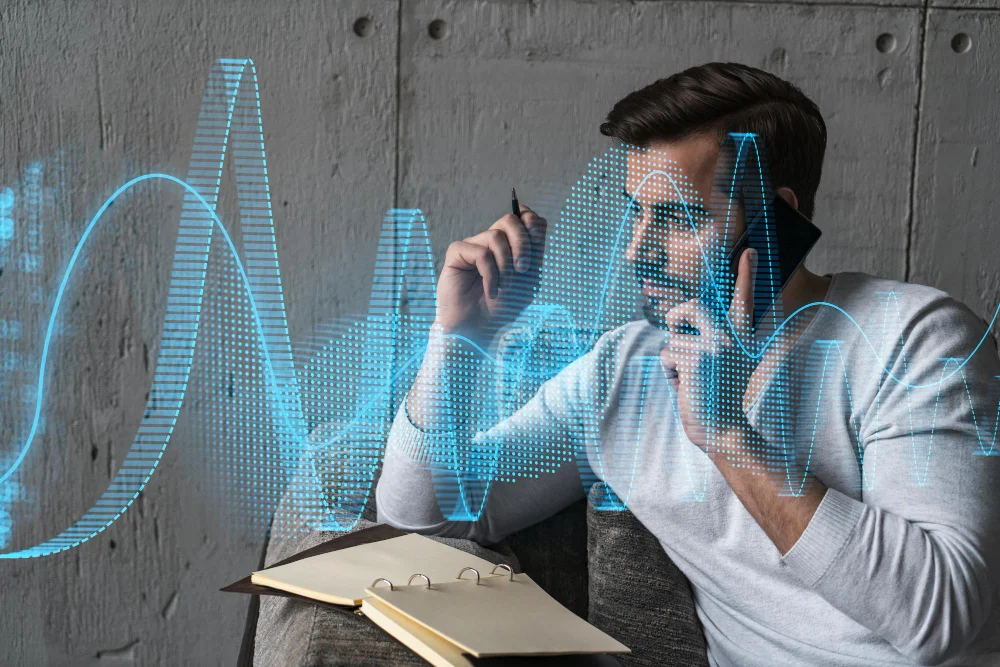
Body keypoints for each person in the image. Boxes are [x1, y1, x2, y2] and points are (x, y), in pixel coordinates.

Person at [375, 62, 1000, 665]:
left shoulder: (915, 338)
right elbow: (423, 520)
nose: (636, 251)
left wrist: (728, 435)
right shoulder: (621, 375)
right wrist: (461, 339)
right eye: (637, 211)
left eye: (678, 216)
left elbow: (936, 618)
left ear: (775, 217)